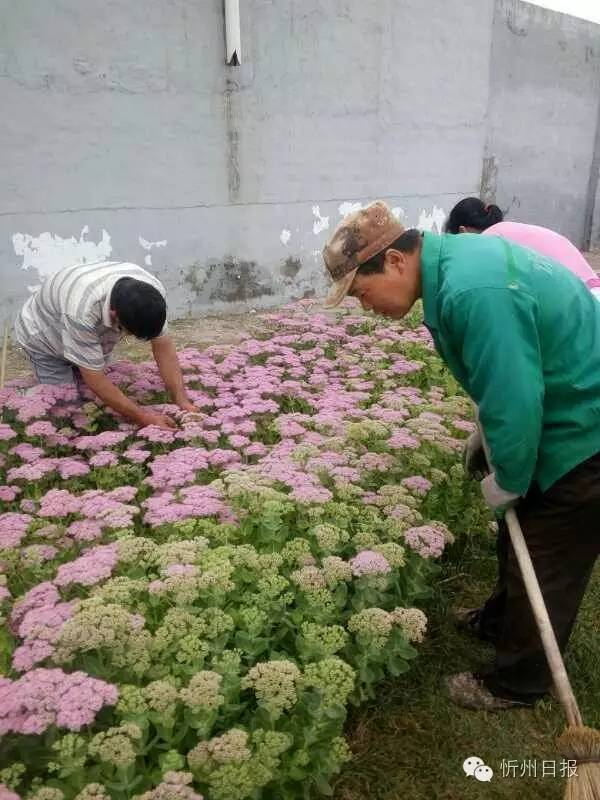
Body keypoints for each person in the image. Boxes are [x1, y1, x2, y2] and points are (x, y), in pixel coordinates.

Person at [322, 200, 600, 711]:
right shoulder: (456, 267)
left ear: (396, 261)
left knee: (548, 550)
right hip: (564, 401)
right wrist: (483, 434)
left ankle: (517, 683)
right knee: (520, 529)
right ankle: (500, 622)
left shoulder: (472, 289)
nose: (366, 307)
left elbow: (515, 399)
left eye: (362, 293)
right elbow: (502, 372)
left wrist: (510, 477)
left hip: (587, 429)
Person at [14, 260, 197, 429]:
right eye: (127, 332)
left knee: (93, 400)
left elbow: (164, 348)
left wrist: (182, 400)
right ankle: (20, 404)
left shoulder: (151, 296)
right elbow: (95, 378)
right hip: (44, 338)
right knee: (66, 408)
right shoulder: (82, 311)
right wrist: (143, 417)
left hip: (83, 325)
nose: (125, 336)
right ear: (114, 314)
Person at [445, 196, 600, 299]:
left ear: (463, 231)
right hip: (590, 291)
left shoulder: (489, 240)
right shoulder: (506, 231)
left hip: (581, 300)